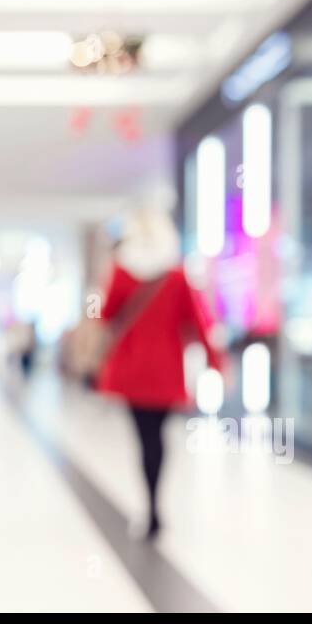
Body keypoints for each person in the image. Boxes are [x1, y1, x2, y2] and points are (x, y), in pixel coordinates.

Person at [97, 208, 222, 540]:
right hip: (166, 371)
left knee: (144, 438)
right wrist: (215, 362)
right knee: (158, 438)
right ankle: (155, 506)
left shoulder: (122, 272)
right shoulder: (177, 276)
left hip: (132, 371)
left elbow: (107, 315)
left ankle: (150, 507)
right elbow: (199, 321)